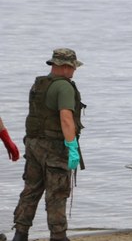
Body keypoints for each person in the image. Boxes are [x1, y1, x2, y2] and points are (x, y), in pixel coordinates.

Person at [12, 48, 86, 241]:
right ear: (64, 66)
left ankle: (20, 234)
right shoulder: (64, 87)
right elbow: (66, 119)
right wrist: (72, 148)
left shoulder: (39, 84)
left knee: (31, 190)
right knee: (57, 192)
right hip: (54, 148)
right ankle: (58, 236)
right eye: (72, 67)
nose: (74, 71)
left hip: (34, 144)